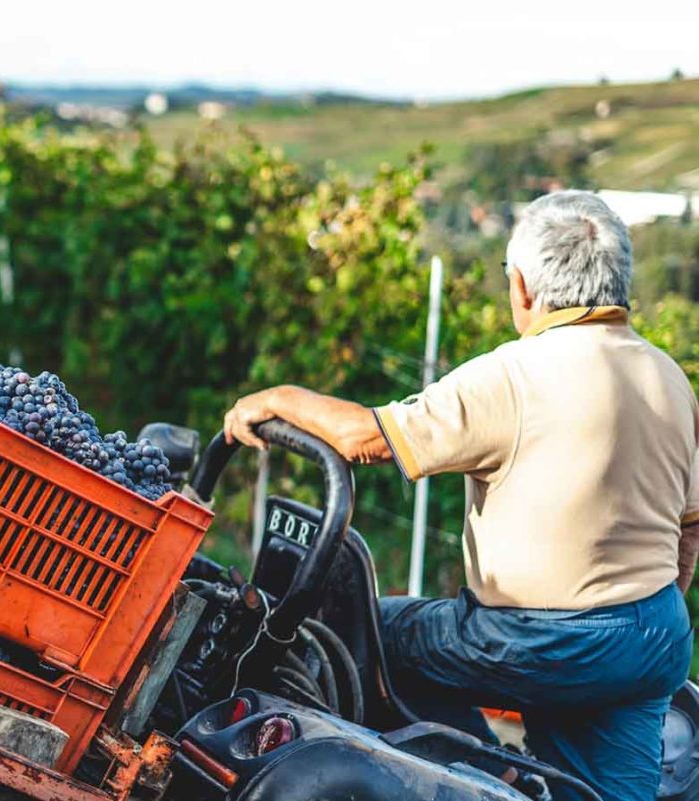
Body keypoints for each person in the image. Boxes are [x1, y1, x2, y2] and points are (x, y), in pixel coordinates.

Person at [222, 190, 698, 801]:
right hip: (653, 638)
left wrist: (275, 399)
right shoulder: (669, 378)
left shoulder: (515, 375)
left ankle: (483, 776)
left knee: (371, 633)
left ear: (522, 287)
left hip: (539, 642)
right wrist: (635, 625)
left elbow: (364, 437)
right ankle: (520, 777)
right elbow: (688, 529)